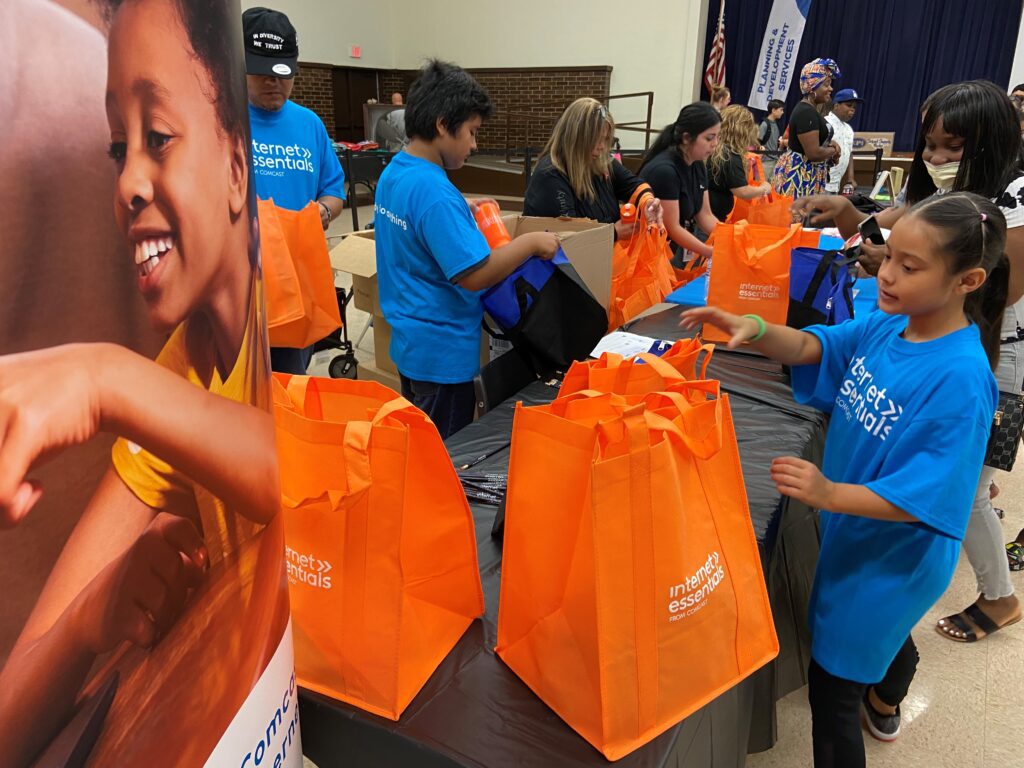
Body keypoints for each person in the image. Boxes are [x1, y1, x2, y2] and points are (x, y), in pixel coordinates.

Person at [0, 0, 281, 763]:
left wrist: (101, 379)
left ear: (235, 166)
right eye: (117, 149)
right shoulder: (182, 374)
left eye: (157, 139)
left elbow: (290, 470)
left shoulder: (267, 333)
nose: (126, 183)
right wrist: (93, 617)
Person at [683, 192, 1006, 768]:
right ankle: (885, 699)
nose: (887, 274)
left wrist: (829, 492)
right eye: (888, 257)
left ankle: (869, 701)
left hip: (893, 556)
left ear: (968, 280)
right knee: (885, 641)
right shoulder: (889, 325)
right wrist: (753, 326)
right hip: (858, 532)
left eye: (910, 267)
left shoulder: (959, 381)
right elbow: (815, 345)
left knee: (832, 692)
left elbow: (923, 497)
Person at [794, 81, 1024, 656]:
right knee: (948, 472)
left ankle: (999, 596)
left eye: (953, 148)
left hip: (995, 353)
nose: (937, 160)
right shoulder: (942, 197)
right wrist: (859, 221)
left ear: (988, 144)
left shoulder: (1012, 204)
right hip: (938, 345)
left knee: (960, 492)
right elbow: (889, 220)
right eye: (931, 146)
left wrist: (899, 272)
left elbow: (995, 297)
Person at [373, 60, 560, 439]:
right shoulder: (436, 194)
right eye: (472, 132)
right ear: (443, 124)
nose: (474, 145)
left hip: (411, 346)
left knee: (422, 441)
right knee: (444, 453)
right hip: (444, 358)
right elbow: (474, 275)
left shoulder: (397, 170)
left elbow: (419, 219)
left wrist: (460, 206)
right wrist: (530, 242)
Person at [244, 6, 346, 375]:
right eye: (262, 70)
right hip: (240, 289)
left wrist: (322, 211)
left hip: (297, 286)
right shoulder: (221, 121)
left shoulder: (309, 125)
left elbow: (334, 191)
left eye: (283, 73)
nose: (274, 81)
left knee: (290, 387)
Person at [523, 97, 664, 239]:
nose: (602, 146)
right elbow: (565, 239)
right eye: (596, 139)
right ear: (576, 137)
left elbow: (633, 185)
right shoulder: (551, 175)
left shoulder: (599, 161)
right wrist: (612, 234)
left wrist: (649, 204)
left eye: (606, 139)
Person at [638, 103, 722, 260]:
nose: (715, 143)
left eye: (717, 137)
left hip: (671, 249)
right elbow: (672, 227)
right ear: (686, 138)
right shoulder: (665, 171)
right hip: (650, 254)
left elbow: (704, 214)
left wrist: (731, 238)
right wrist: (711, 252)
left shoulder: (697, 163)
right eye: (709, 138)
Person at [773, 58, 843, 198]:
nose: (831, 89)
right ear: (813, 87)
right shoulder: (806, 112)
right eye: (827, 84)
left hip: (808, 174)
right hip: (800, 176)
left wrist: (829, 145)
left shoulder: (810, 111)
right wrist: (834, 150)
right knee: (797, 218)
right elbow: (814, 153)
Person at [707, 105, 772, 221]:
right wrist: (764, 189)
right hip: (714, 218)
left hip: (707, 213)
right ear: (742, 130)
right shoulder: (730, 156)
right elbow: (742, 191)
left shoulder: (715, 149)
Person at [825, 88, 863, 195]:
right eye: (849, 105)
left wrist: (850, 178)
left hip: (836, 185)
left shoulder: (848, 129)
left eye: (854, 107)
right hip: (821, 184)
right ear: (836, 105)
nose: (852, 110)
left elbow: (849, 153)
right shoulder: (825, 123)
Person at [758, 98, 785, 179]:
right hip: (765, 162)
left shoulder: (776, 125)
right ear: (773, 110)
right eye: (781, 110)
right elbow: (757, 142)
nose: (782, 112)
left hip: (774, 161)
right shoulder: (764, 124)